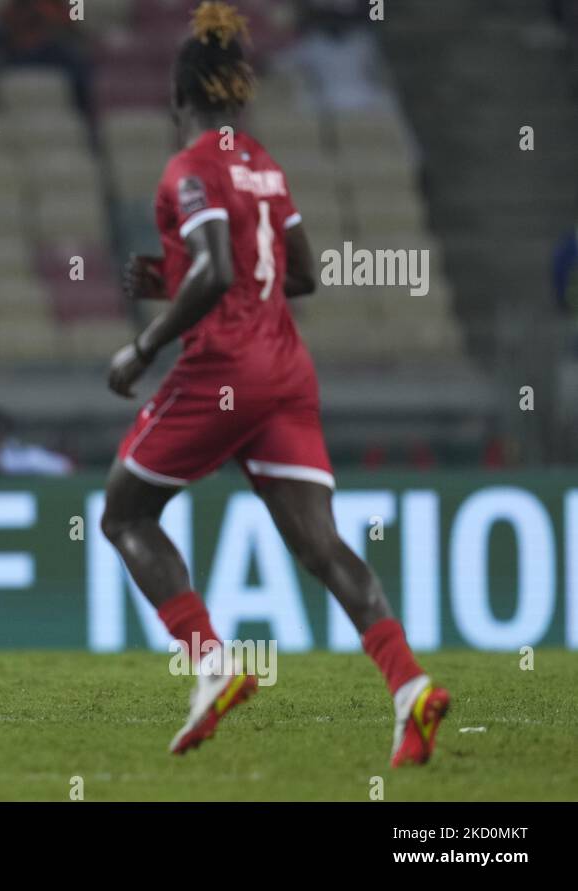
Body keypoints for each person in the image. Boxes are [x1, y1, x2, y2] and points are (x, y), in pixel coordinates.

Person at [102, 2, 449, 766]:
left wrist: (142, 345)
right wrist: (173, 277)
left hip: (226, 367)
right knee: (322, 545)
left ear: (177, 100)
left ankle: (212, 662)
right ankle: (409, 688)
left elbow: (220, 268)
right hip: (287, 372)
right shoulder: (262, 162)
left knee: (125, 514)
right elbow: (298, 273)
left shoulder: (188, 169)